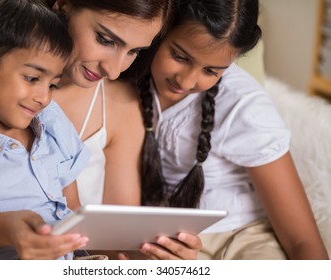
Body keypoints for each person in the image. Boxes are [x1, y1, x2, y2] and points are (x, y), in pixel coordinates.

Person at [0, 0, 202, 260]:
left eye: (134, 51)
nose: (113, 71)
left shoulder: (56, 121)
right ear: (63, 6)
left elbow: (78, 221)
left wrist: (152, 256)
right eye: (105, 39)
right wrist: (5, 228)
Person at [135, 0, 329, 259]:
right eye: (180, 56)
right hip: (173, 238)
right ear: (162, 27)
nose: (187, 81)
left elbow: (302, 238)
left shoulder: (244, 107)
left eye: (211, 71)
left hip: (244, 235)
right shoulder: (127, 71)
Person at [0, 0, 91, 259]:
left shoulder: (52, 119)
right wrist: (5, 229)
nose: (44, 97)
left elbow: (74, 208)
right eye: (32, 78)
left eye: (52, 84)